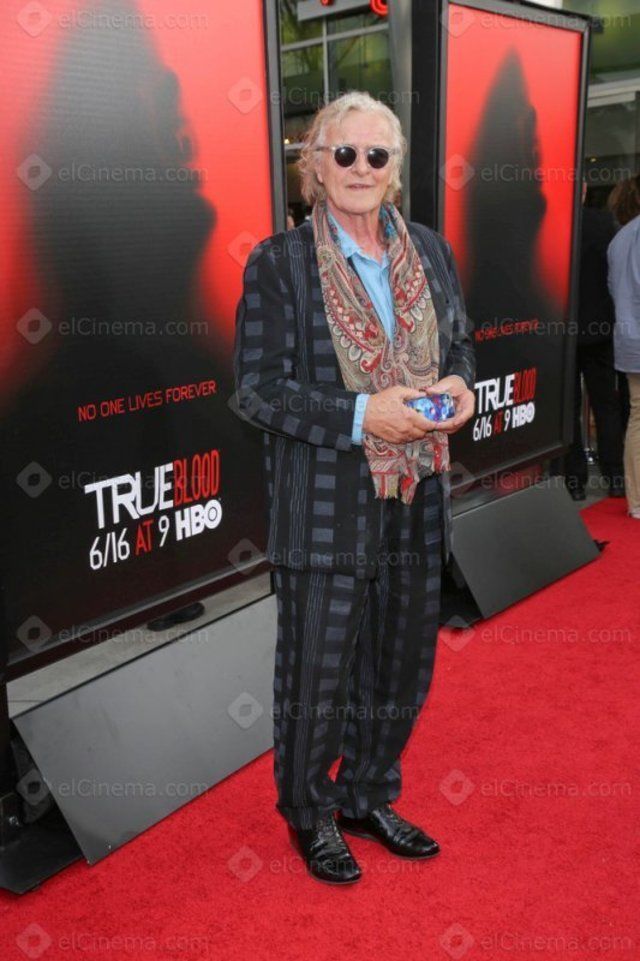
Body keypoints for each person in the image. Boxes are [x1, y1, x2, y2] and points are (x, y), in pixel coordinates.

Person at [232, 91, 476, 885]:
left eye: (377, 155)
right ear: (315, 164)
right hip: (326, 499)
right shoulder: (280, 263)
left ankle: (368, 793)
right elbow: (258, 390)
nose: (361, 168)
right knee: (318, 670)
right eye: (345, 153)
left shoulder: (429, 250)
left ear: (395, 168)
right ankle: (310, 813)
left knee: (401, 662)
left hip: (417, 490)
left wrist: (459, 387)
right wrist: (368, 414)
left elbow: (461, 345)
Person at [563, 180, 625, 500]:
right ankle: (615, 476)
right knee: (606, 405)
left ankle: (574, 482)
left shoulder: (553, 225)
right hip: (600, 328)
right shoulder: (605, 224)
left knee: (568, 409)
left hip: (562, 332)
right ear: (584, 190)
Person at [607, 174, 640, 519]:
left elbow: (614, 290)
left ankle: (637, 501)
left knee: (637, 416)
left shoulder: (618, 239)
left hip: (629, 340)